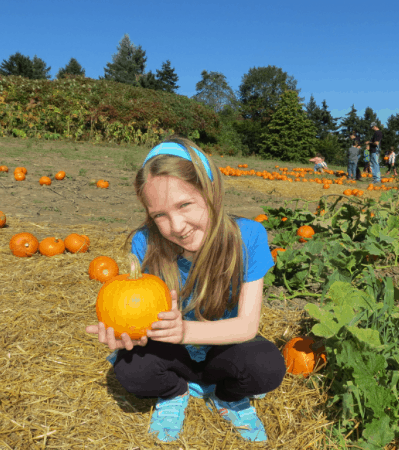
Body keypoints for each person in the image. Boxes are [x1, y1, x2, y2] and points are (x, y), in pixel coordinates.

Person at [85, 137, 286, 444]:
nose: (176, 225)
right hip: (173, 351)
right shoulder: (145, 242)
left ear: (210, 191)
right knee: (129, 371)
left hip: (224, 347)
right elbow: (139, 311)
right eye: (159, 215)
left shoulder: (249, 237)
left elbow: (247, 326)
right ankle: (174, 391)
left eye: (184, 205)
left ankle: (227, 396)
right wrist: (129, 335)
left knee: (266, 366)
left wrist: (184, 332)